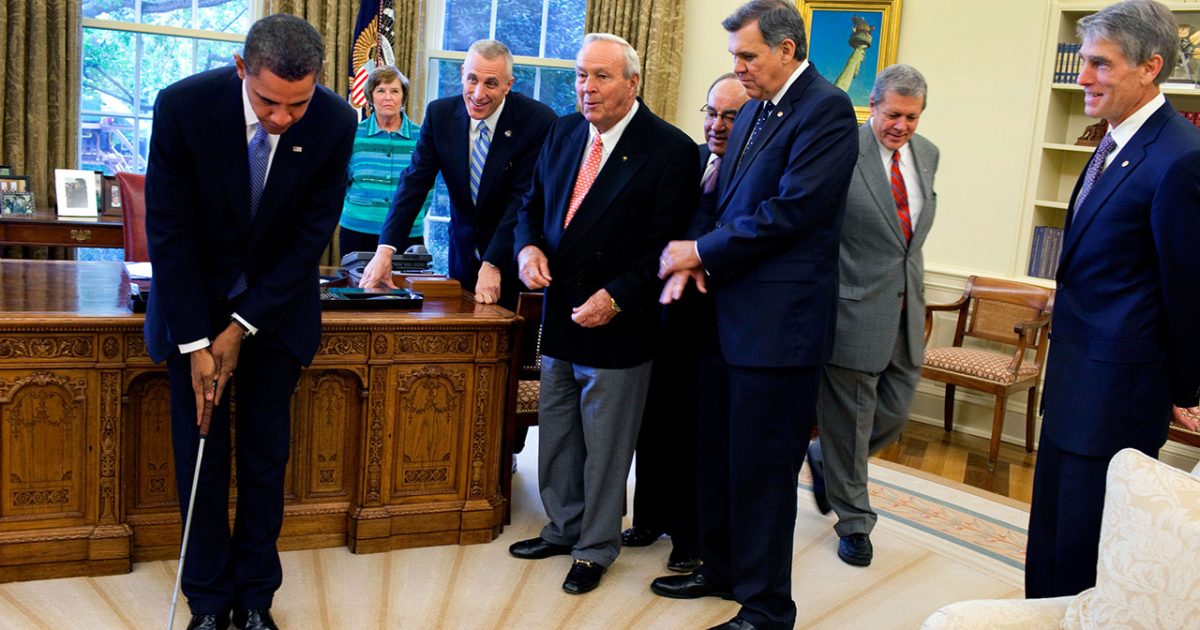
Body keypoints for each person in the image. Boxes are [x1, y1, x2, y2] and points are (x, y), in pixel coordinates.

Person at [143, 14, 356, 630]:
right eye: (269, 101)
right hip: (191, 308)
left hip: (275, 312)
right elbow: (171, 233)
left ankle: (256, 597)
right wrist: (197, 343)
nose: (284, 117)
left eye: (299, 101)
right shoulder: (184, 106)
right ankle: (208, 602)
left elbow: (306, 241)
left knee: (266, 457)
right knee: (202, 453)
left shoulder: (337, 121)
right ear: (242, 69)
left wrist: (238, 330)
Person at [651, 1, 858, 628]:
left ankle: (768, 607)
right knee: (718, 457)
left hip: (779, 330)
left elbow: (792, 211)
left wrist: (701, 251)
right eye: (735, 56)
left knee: (764, 476)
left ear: (788, 50)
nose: (737, 68)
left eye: (748, 55)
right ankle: (721, 570)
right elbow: (719, 203)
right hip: (725, 319)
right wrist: (692, 254)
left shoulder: (826, 111)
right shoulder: (754, 110)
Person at [506, 32, 699, 596]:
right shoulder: (563, 131)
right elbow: (532, 206)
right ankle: (563, 527)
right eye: (580, 76)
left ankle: (594, 548)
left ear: (632, 83)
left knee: (607, 445)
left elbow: (667, 244)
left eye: (600, 76)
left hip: (621, 321)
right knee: (559, 432)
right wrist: (527, 248)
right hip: (560, 313)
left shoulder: (670, 149)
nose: (585, 88)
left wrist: (616, 297)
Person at [1025, 0, 1200, 599]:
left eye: (1100, 64)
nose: (1083, 77)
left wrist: (1185, 390)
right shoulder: (1115, 142)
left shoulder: (1179, 156)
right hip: (1076, 380)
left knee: (1084, 548)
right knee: (1049, 533)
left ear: (1150, 67)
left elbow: (1187, 287)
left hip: (1118, 396)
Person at [804, 64, 939, 568]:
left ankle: (825, 456)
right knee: (852, 416)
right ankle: (855, 522)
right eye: (892, 114)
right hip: (852, 305)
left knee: (896, 410)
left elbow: (908, 240)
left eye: (912, 116)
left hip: (907, 306)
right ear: (873, 107)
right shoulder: (844, 151)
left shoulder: (927, 155)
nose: (901, 125)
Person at [622, 72, 748, 573]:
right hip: (666, 315)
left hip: (717, 322)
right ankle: (650, 517)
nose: (717, 124)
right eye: (711, 112)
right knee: (656, 423)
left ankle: (690, 539)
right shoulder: (688, 158)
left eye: (731, 116)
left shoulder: (751, 171)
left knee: (701, 435)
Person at [358, 39, 556, 309]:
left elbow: (522, 200)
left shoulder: (537, 121)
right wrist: (386, 249)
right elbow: (415, 182)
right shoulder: (440, 115)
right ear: (462, 73)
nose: (478, 93)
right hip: (462, 256)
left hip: (512, 259)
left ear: (508, 85)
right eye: (472, 79)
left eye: (491, 83)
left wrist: (493, 261)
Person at [338, 65, 431, 255]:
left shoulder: (422, 136)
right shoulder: (353, 134)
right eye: (381, 91)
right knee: (357, 285)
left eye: (395, 91)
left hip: (406, 233)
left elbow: (429, 186)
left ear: (403, 97)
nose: (388, 97)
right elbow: (340, 182)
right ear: (371, 97)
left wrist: (412, 215)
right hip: (357, 231)